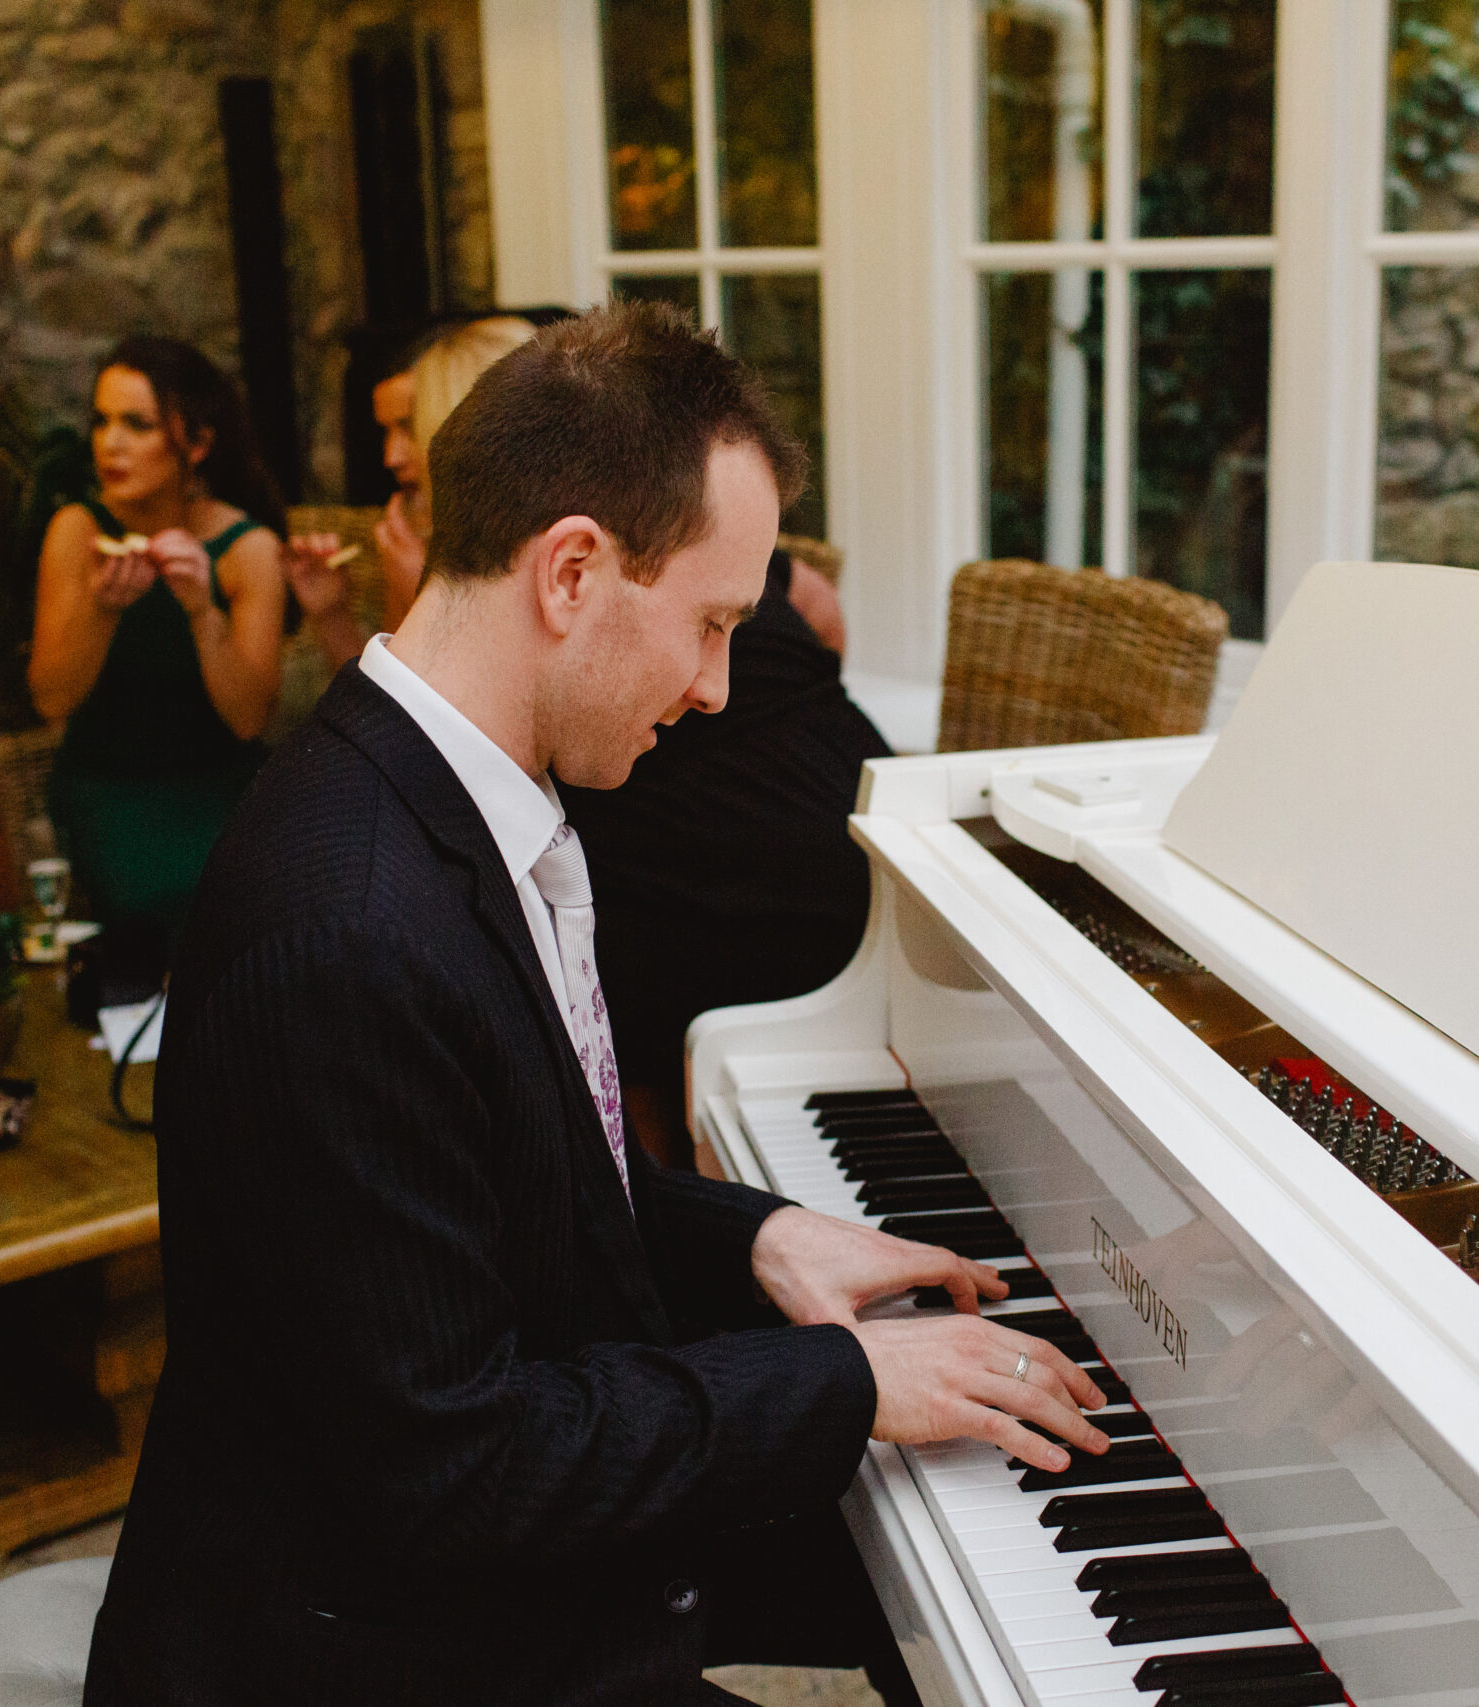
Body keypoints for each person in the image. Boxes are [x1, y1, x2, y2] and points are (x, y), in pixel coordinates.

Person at [82, 304, 1111, 1707]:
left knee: (959, 1558)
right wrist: (849, 1382)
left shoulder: (448, 795)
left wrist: (760, 1237)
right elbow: (462, 1462)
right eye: (710, 623)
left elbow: (504, 1188)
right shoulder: (352, 930)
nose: (715, 686)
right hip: (386, 1649)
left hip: (456, 1569)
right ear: (570, 569)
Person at [561, 543, 891, 1164]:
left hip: (802, 897)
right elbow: (816, 600)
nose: (716, 688)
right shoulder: (714, 525)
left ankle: (644, 1200)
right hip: (871, 846)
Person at [28, 337, 291, 949]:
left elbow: (249, 718)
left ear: (196, 445)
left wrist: (203, 611)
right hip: (111, 790)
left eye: (136, 424)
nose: (109, 443)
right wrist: (102, 610)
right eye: (101, 421)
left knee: (275, 891)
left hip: (223, 786)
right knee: (164, 903)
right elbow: (50, 698)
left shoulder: (248, 551)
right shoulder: (78, 532)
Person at [286, 315, 539, 670]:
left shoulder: (542, 547)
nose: (391, 457)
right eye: (385, 432)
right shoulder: (424, 536)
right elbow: (388, 705)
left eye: (409, 426)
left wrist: (428, 599)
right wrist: (332, 615)